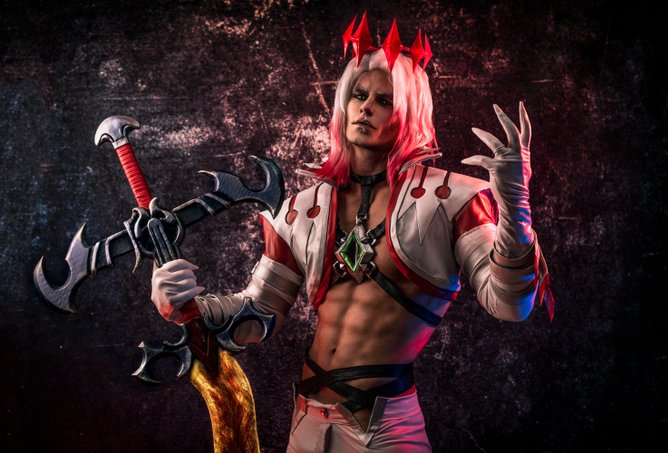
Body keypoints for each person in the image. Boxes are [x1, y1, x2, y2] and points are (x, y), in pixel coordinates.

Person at [150, 17, 552, 453]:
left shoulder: (450, 200)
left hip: (386, 431)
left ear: (408, 114)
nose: (366, 107)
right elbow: (257, 316)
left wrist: (515, 207)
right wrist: (184, 305)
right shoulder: (305, 209)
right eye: (359, 95)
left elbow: (510, 304)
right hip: (307, 424)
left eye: (384, 100)